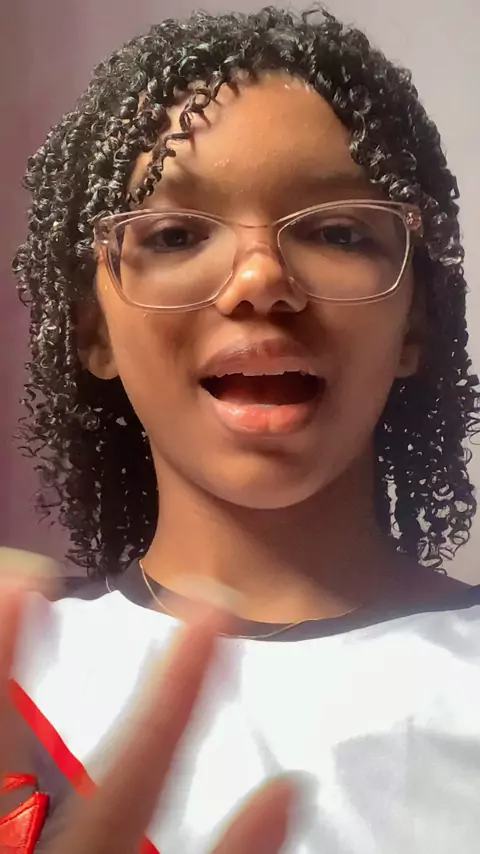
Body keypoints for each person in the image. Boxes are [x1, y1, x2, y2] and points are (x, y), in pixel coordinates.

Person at [2, 4, 480, 852]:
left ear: (414, 325)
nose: (260, 278)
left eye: (338, 231)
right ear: (94, 331)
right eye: (175, 234)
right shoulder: (18, 679)